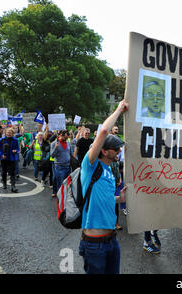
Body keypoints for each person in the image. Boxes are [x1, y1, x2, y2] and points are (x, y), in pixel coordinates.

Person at [78, 100, 128, 274]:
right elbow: (104, 131)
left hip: (112, 240)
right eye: (116, 148)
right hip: (94, 244)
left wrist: (119, 199)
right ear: (105, 151)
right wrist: (119, 109)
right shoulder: (90, 166)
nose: (119, 151)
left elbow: (103, 198)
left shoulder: (107, 170)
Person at [50, 130, 73, 198]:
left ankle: (65, 197)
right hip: (60, 167)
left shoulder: (68, 143)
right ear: (60, 136)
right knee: (60, 184)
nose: (66, 139)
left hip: (68, 167)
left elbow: (71, 153)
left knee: (67, 184)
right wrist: (56, 148)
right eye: (64, 138)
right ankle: (60, 199)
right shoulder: (54, 143)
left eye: (66, 138)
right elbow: (52, 155)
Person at [0, 128, 19, 193]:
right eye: (8, 132)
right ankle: (4, 183)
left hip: (12, 158)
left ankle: (13, 186)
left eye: (10, 133)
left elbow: (17, 148)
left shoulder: (15, 140)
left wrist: (15, 151)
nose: (8, 133)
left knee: (12, 172)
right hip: (4, 158)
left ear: (12, 133)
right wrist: (2, 155)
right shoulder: (1, 140)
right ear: (5, 133)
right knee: (4, 172)